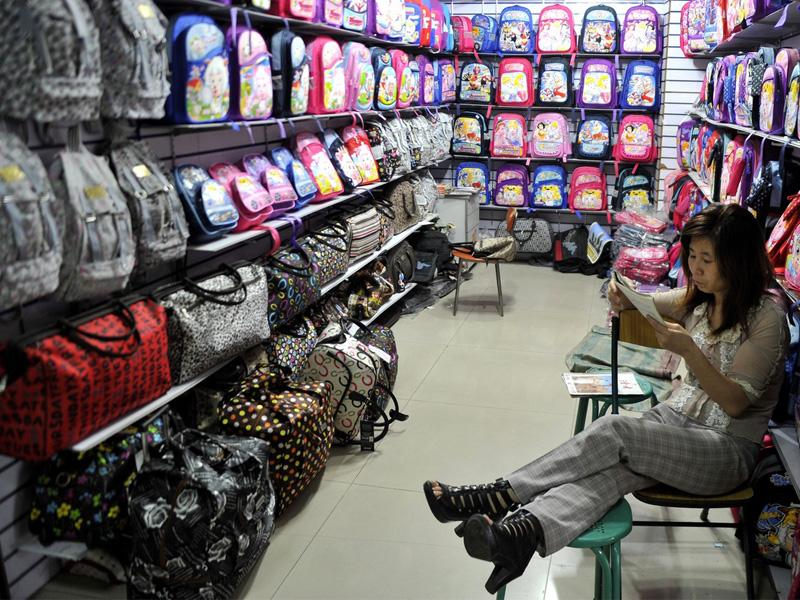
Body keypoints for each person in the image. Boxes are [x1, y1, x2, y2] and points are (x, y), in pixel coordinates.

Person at [423, 203, 789, 594]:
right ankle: (519, 534)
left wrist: (690, 351)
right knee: (612, 474)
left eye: (707, 259)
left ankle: (499, 494)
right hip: (675, 424)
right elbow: (642, 300)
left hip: (726, 451)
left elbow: (736, 403)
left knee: (615, 429)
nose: (695, 268)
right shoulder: (702, 297)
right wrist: (621, 294)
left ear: (737, 261)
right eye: (693, 256)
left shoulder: (766, 318)